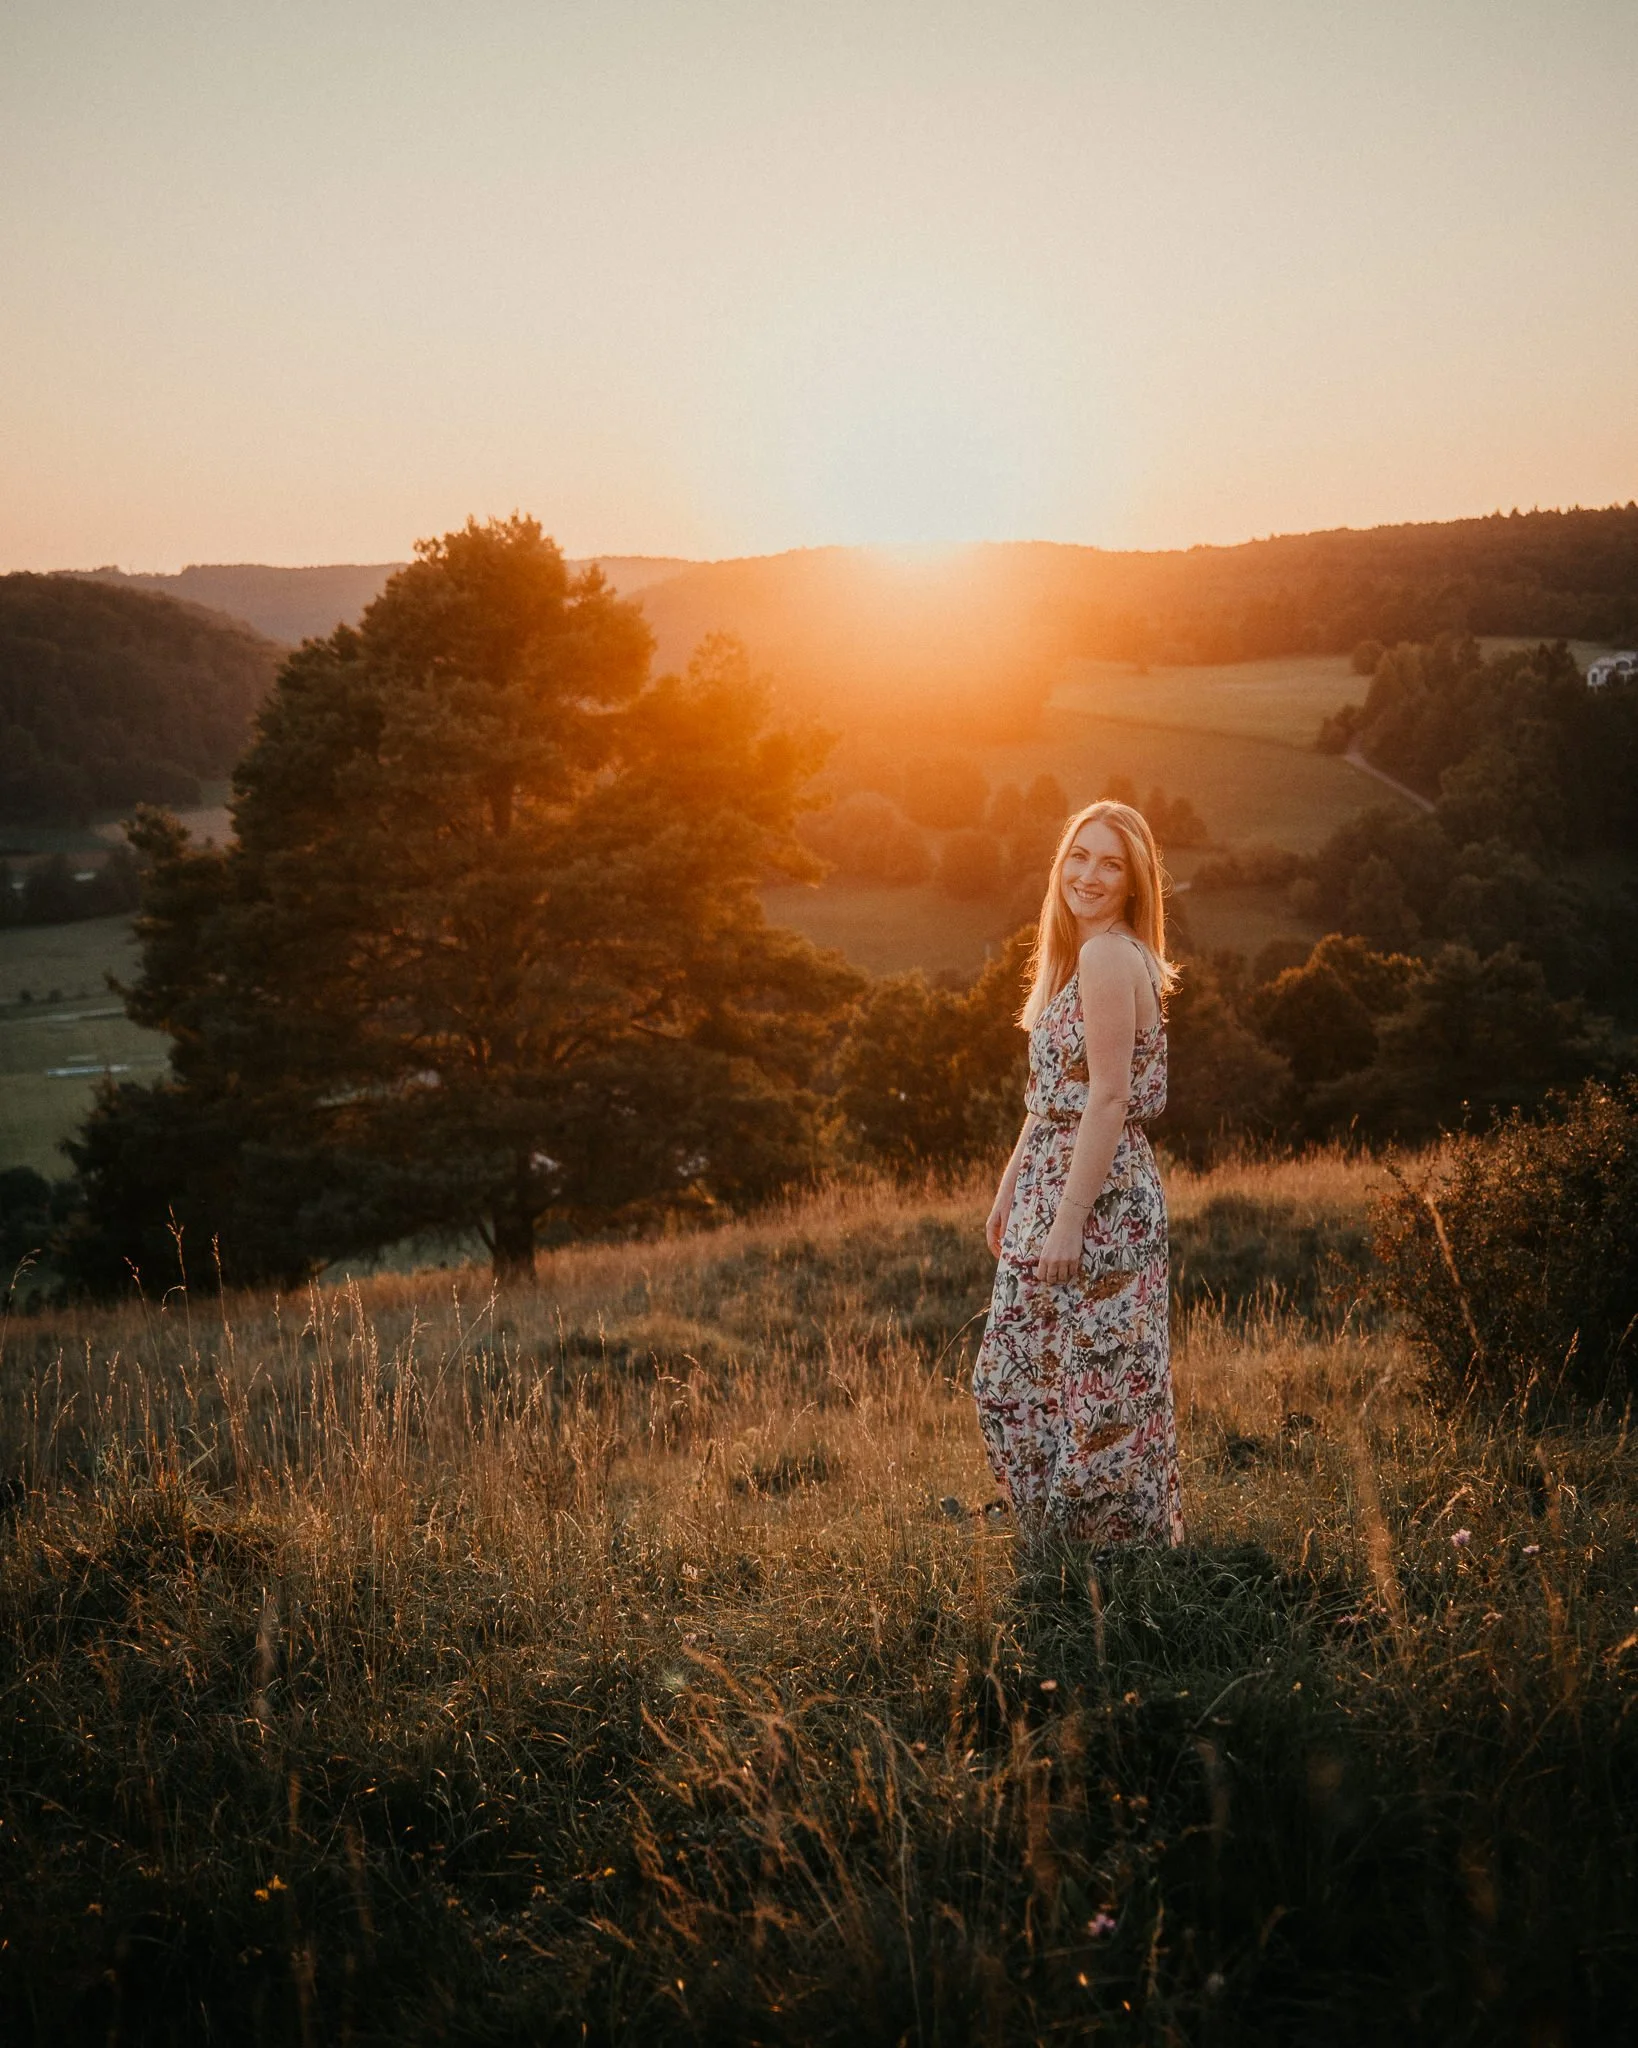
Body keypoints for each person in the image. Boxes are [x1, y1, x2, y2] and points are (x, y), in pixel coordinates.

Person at [972, 800, 1184, 1545]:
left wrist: (1066, 1219)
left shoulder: (1108, 956)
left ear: (1135, 881)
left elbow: (1110, 1096)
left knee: (1096, 1395)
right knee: (1020, 1382)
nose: (1089, 875)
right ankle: (1061, 1554)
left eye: (1111, 863)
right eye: (1078, 856)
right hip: (1050, 1185)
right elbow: (1047, 1099)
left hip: (1099, 1199)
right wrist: (1008, 1195)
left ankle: (1102, 1575)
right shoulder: (1076, 956)